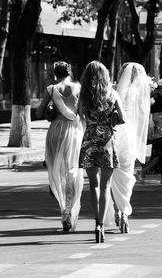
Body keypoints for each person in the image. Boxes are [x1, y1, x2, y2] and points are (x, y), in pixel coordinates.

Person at [78, 60, 126, 243]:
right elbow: (122, 118)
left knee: (93, 185)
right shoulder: (112, 94)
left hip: (89, 141)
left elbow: (79, 116)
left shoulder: (83, 96)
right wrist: (111, 117)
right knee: (106, 185)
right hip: (107, 142)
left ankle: (96, 223)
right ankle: (102, 226)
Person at [36, 61, 84, 233]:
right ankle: (70, 211)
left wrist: (51, 106)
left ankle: (63, 209)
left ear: (56, 73)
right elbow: (82, 113)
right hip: (75, 132)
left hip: (56, 131)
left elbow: (39, 113)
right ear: (70, 72)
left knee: (58, 172)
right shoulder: (78, 88)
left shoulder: (51, 89)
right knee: (73, 171)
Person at [107, 62, 151, 233]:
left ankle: (118, 211)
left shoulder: (114, 91)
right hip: (131, 135)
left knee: (111, 173)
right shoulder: (140, 93)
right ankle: (124, 211)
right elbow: (143, 114)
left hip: (116, 133)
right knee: (126, 173)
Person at [136, 78, 162, 186]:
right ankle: (143, 172)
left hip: (161, 130)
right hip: (159, 130)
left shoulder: (160, 97)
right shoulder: (156, 96)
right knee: (160, 154)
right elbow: (149, 104)